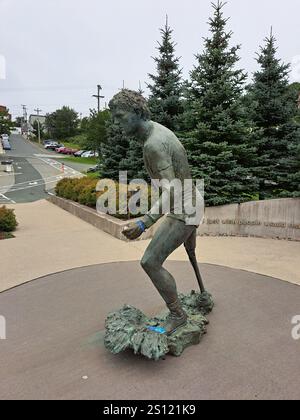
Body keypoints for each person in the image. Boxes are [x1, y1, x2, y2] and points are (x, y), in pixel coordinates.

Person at [109, 89, 204, 335]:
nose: (115, 123)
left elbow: (171, 188)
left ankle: (177, 314)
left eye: (119, 116)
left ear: (138, 112)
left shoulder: (153, 144)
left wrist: (144, 223)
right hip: (190, 202)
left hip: (185, 209)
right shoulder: (156, 132)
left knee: (150, 262)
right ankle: (203, 295)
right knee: (189, 251)